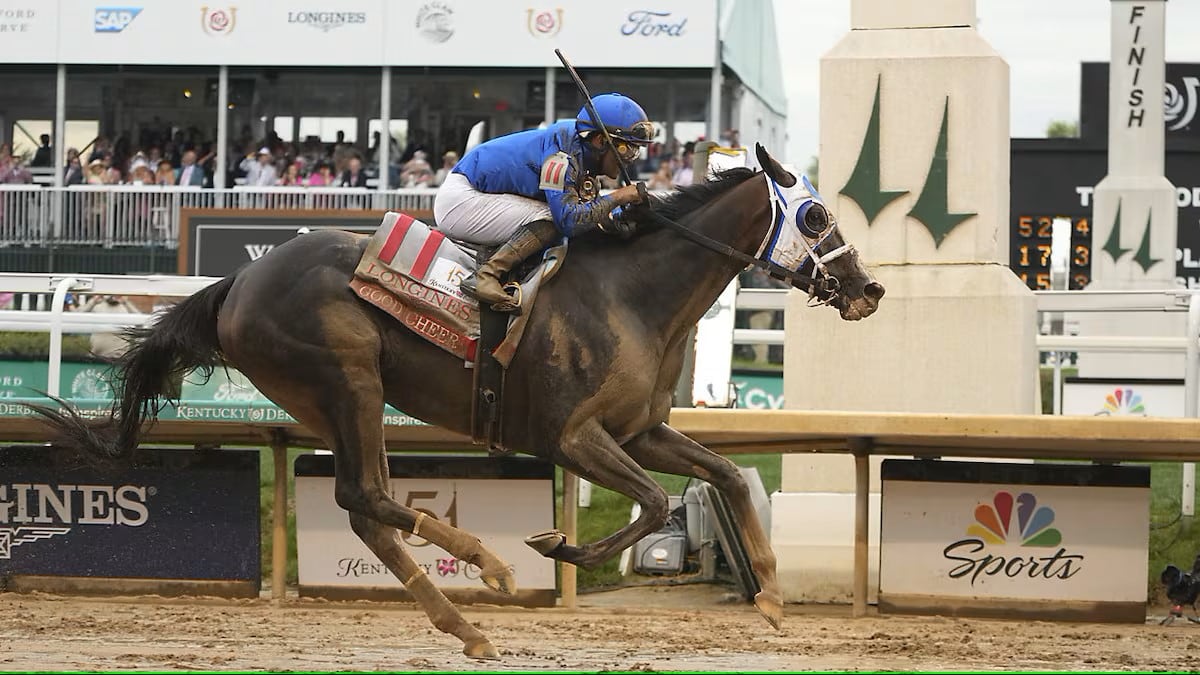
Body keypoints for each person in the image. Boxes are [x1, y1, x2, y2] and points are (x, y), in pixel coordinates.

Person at [433, 92, 653, 313]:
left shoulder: (579, 153)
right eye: (629, 148)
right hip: (462, 200)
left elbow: (593, 217)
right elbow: (568, 220)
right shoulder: (560, 156)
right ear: (600, 141)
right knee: (552, 218)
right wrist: (619, 196)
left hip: (481, 197)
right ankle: (486, 275)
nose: (631, 158)